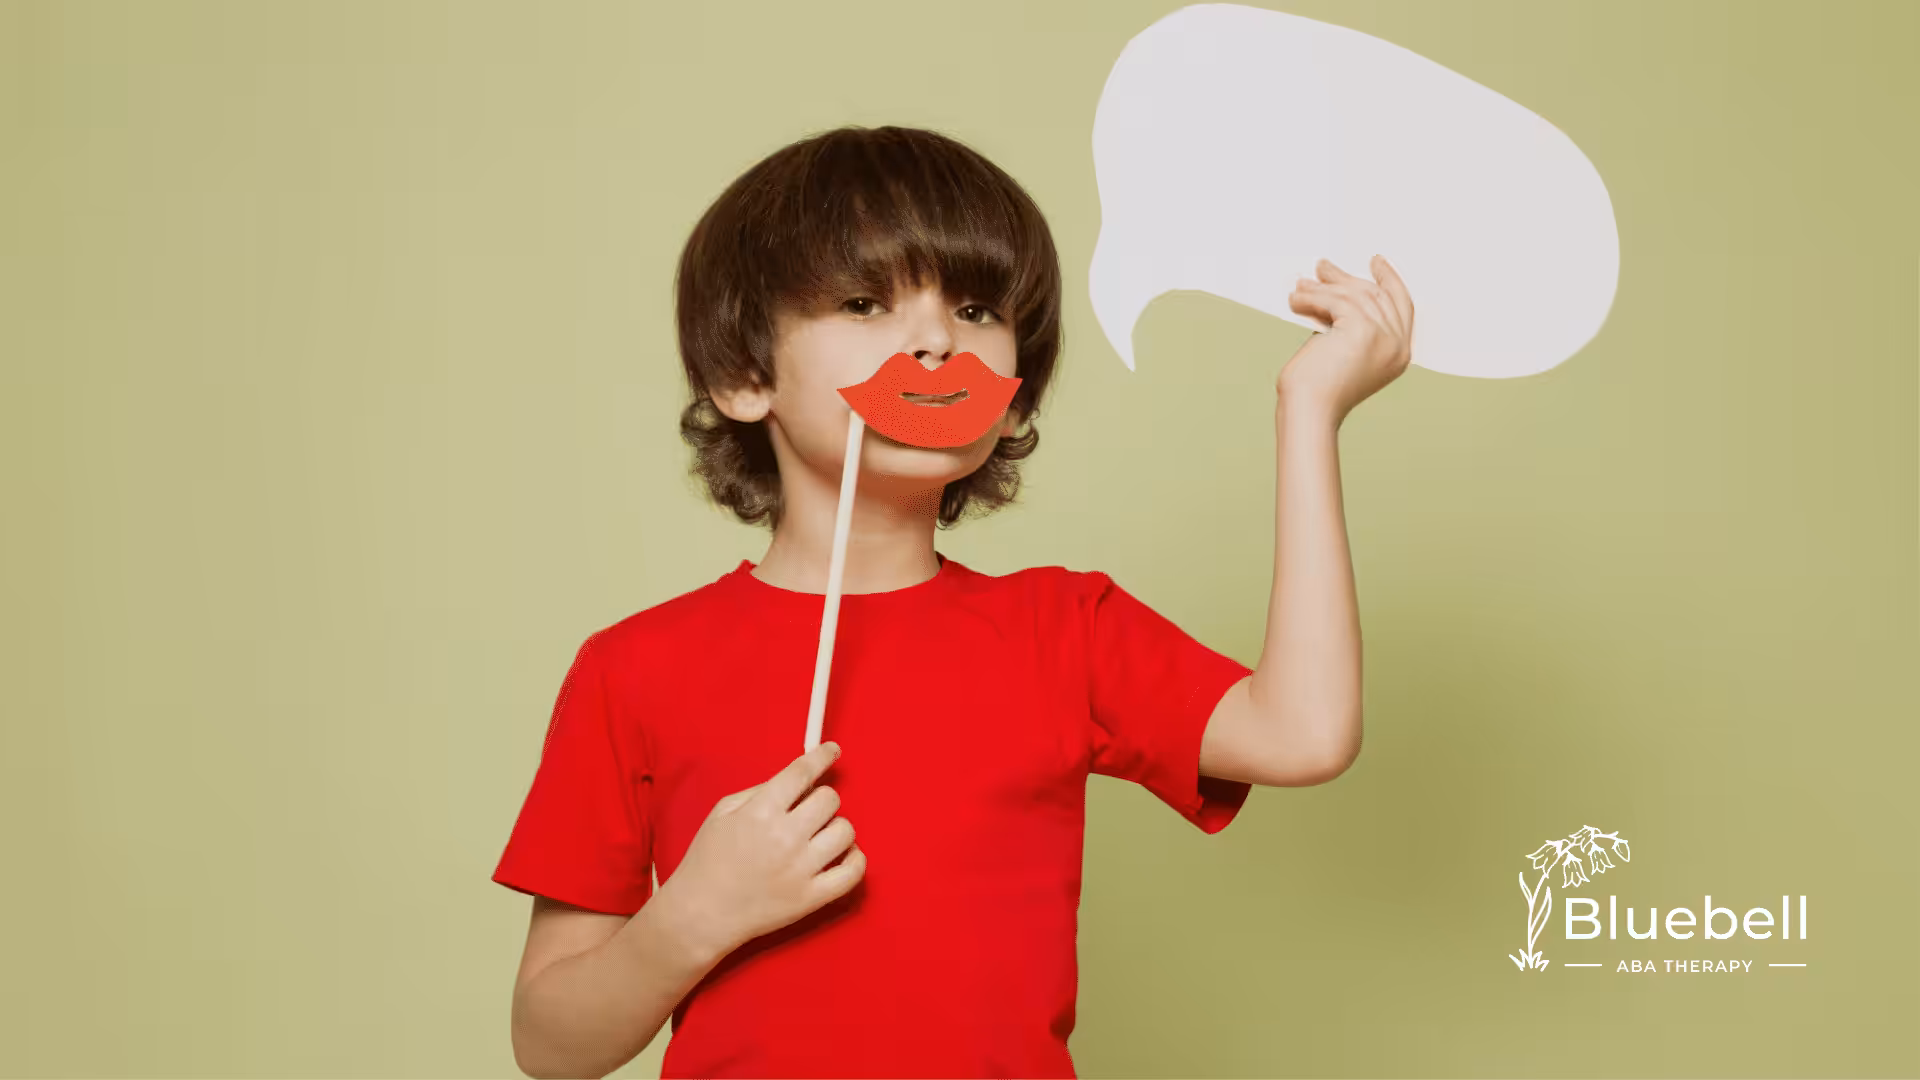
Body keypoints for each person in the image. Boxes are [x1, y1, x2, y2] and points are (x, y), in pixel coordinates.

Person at [491, 124, 1413, 1079]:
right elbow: (551, 1046)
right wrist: (695, 913)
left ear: (1012, 395)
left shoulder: (1066, 631)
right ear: (744, 375)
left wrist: (1310, 411)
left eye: (976, 309)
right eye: (863, 301)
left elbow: (1304, 732)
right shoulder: (634, 668)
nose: (935, 339)